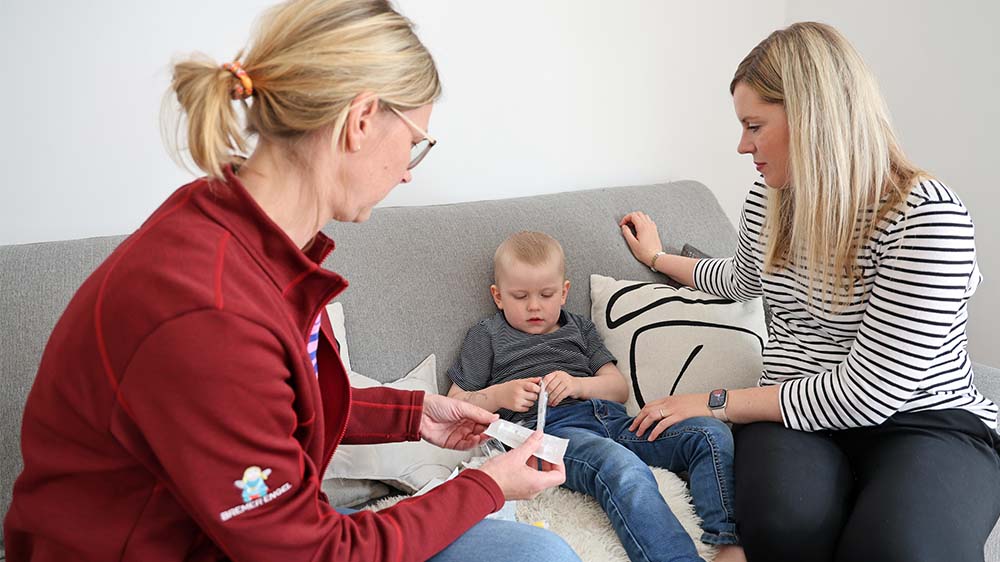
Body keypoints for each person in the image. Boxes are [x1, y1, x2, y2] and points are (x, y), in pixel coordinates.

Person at [3, 1, 579, 561]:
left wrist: (413, 414)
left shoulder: (245, 235)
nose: (407, 172)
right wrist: (487, 486)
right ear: (360, 121)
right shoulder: (206, 309)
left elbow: (271, 404)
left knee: (539, 551)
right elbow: (313, 552)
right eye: (414, 144)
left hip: (245, 536)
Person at [619, 21, 1000, 562]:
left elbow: (871, 393)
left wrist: (715, 401)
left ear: (813, 118)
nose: (741, 145)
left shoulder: (927, 218)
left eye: (754, 125)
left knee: (902, 549)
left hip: (921, 420)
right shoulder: (770, 198)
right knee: (782, 526)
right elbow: (740, 278)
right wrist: (658, 258)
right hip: (791, 414)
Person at [447, 231, 745, 562]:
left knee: (709, 433)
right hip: (551, 435)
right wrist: (499, 395)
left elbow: (618, 389)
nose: (534, 306)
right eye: (519, 296)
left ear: (564, 293)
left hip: (613, 421)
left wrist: (578, 385)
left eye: (546, 294)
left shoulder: (579, 329)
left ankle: (729, 544)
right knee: (621, 467)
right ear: (498, 296)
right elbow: (457, 402)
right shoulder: (487, 335)